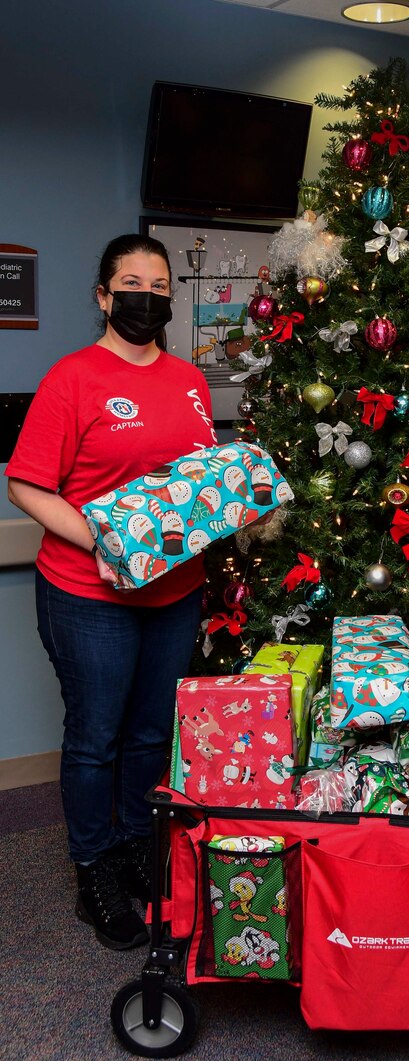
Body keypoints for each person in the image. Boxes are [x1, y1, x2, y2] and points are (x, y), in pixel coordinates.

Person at [6, 234, 217, 950]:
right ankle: (93, 868)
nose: (146, 297)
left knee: (152, 733)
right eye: (132, 283)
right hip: (88, 595)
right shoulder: (74, 378)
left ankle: (132, 843)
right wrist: (106, 541)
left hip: (175, 592)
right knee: (96, 737)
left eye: (159, 287)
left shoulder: (189, 379)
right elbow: (27, 483)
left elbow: (195, 481)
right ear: (103, 296)